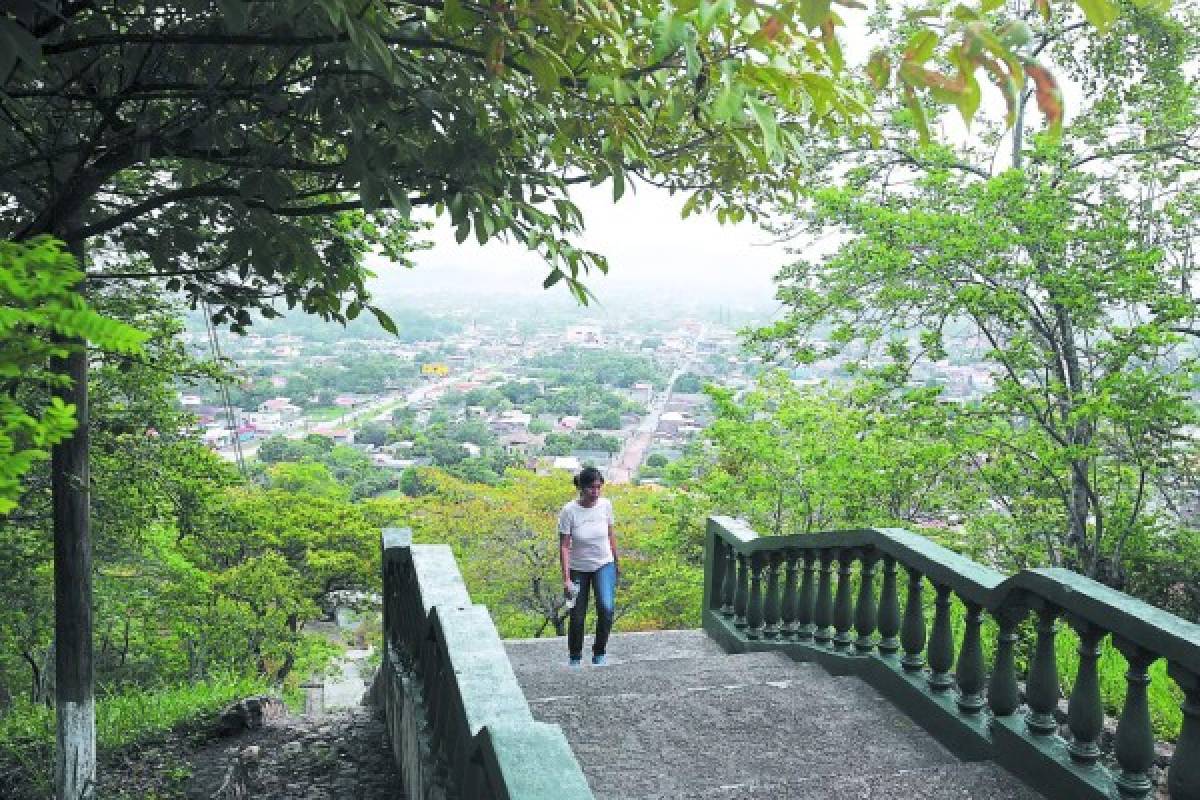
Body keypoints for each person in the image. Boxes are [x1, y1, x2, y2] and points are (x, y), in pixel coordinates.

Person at [558, 466, 619, 666]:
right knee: (577, 615)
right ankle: (575, 656)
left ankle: (599, 651)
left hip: (603, 563)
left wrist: (617, 561)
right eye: (592, 488)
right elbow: (565, 546)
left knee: (606, 607)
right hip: (578, 567)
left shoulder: (606, 505)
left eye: (599, 487)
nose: (596, 492)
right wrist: (566, 579)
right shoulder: (569, 511)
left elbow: (610, 534)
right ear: (582, 487)